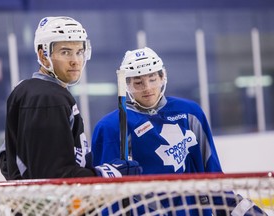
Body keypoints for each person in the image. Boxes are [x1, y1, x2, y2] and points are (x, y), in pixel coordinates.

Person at [91, 47, 266, 215]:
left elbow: (211, 173)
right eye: (138, 83)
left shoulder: (189, 113)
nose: (147, 88)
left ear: (162, 77)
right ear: (127, 85)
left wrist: (240, 209)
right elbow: (106, 196)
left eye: (152, 79)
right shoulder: (110, 127)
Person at [0, 16, 141, 180]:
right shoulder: (47, 97)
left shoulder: (29, 90)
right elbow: (53, 177)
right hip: (50, 205)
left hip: (35, 203)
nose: (75, 61)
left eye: (79, 52)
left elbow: (6, 159)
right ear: (43, 55)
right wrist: (104, 174)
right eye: (65, 52)